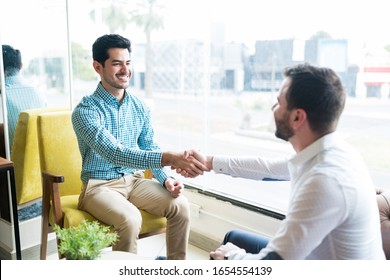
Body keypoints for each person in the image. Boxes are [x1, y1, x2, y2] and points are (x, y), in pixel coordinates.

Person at [179, 63, 385, 260]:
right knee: (234, 237)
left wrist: (232, 257)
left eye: (279, 102)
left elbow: (275, 262)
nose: (273, 107)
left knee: (225, 253)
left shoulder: (325, 180)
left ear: (297, 117)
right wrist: (208, 162)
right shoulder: (332, 152)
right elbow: (267, 168)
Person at [71, 34, 207, 260]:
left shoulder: (139, 107)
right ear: (98, 67)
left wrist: (165, 179)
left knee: (181, 205)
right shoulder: (85, 111)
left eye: (128, 62)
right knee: (130, 218)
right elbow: (114, 153)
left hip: (133, 182)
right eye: (116, 63)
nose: (125, 70)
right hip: (99, 187)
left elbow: (149, 145)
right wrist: (169, 158)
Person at [1, 44, 47, 150]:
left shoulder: (2, 95)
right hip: (40, 162)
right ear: (21, 66)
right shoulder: (38, 92)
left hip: (10, 163)